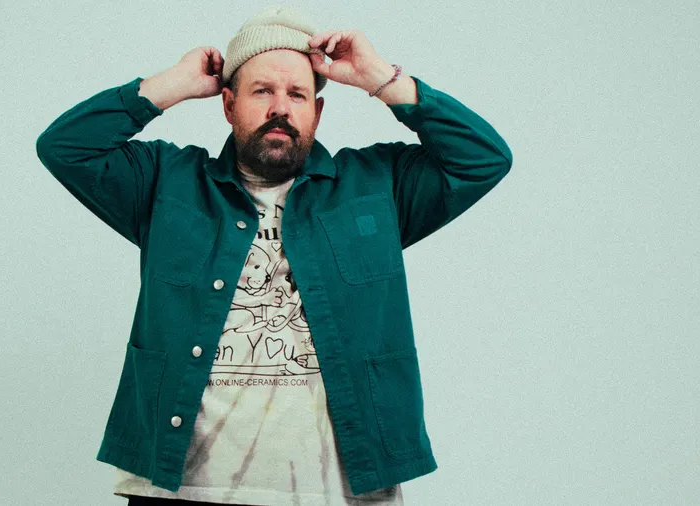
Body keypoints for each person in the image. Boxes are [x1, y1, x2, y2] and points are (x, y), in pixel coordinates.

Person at [35, 5, 512, 505]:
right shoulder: (166, 184)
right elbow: (66, 148)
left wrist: (381, 79)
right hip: (178, 489)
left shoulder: (377, 187)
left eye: (297, 94)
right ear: (228, 104)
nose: (280, 108)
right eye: (262, 91)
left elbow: (483, 159)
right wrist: (170, 85)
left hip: (339, 492)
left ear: (317, 112)